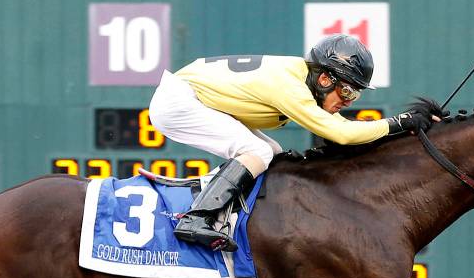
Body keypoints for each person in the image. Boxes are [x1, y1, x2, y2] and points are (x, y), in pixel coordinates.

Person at [147, 34, 427, 252]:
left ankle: (238, 219)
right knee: (256, 150)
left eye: (355, 95)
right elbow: (341, 134)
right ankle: (196, 219)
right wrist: (399, 122)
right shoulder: (290, 86)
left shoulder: (298, 76)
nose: (347, 100)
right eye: (346, 90)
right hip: (178, 102)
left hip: (190, 95)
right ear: (325, 78)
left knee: (273, 153)